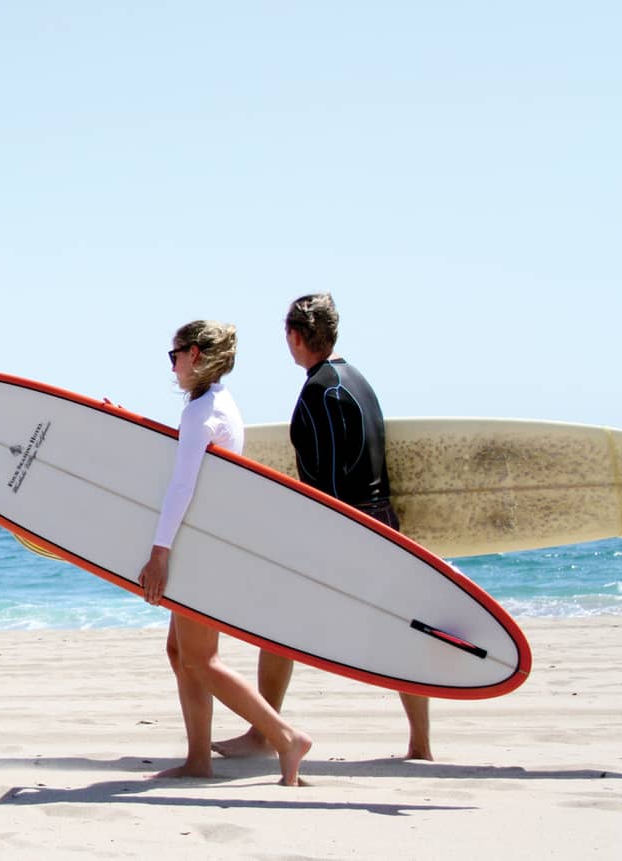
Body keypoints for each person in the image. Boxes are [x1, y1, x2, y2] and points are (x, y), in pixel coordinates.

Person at [212, 293, 433, 762]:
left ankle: (262, 735)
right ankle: (420, 744)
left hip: (347, 529)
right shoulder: (358, 380)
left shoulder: (321, 390)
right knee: (397, 630)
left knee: (276, 626)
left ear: (294, 337)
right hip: (383, 521)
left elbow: (330, 481)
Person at [138, 320, 313, 785]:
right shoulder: (218, 404)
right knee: (180, 652)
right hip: (207, 542)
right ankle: (199, 759)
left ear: (194, 354)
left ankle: (284, 737)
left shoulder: (201, 414)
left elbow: (182, 486)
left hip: (200, 549)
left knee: (202, 659)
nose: (171, 366)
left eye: (173, 355)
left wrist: (159, 553)